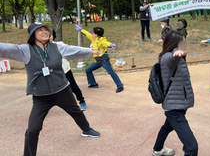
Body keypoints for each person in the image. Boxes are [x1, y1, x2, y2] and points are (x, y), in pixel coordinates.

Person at [0, 22, 101, 156]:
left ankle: (86, 129)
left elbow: (73, 50)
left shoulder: (57, 47)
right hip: (41, 97)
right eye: (40, 30)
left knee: (76, 112)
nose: (45, 32)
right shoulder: (25, 50)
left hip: (62, 91)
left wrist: (90, 51)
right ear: (33, 35)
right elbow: (6, 48)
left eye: (46, 29)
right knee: (33, 129)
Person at [152, 30, 198, 156]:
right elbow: (173, 58)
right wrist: (176, 53)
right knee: (192, 147)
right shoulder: (168, 58)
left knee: (167, 127)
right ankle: (157, 149)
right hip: (174, 108)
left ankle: (157, 149)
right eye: (183, 42)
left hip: (178, 104)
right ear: (174, 44)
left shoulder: (177, 57)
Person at [75, 25, 124, 93]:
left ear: (97, 35)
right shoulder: (93, 38)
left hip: (103, 60)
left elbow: (105, 43)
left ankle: (120, 86)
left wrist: (110, 45)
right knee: (88, 70)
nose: (92, 34)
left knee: (111, 72)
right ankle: (93, 83)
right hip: (98, 61)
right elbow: (87, 34)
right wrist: (81, 30)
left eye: (93, 33)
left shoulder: (101, 40)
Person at [50, 29, 87, 111]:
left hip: (65, 70)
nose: (48, 37)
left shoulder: (59, 45)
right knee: (50, 89)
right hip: (52, 73)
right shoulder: (39, 49)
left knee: (73, 86)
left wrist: (88, 51)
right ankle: (44, 107)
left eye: (50, 35)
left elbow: (72, 49)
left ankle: (82, 101)